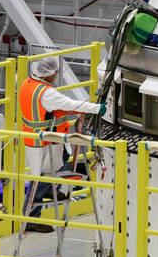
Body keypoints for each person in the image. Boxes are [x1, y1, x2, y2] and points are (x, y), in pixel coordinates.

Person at [18, 56, 105, 233]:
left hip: (35, 139)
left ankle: (52, 189)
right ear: (48, 74)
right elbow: (67, 103)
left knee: (53, 167)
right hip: (44, 141)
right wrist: (98, 108)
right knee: (41, 178)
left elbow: (54, 108)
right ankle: (30, 219)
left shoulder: (28, 84)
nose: (56, 75)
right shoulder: (47, 93)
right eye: (55, 73)